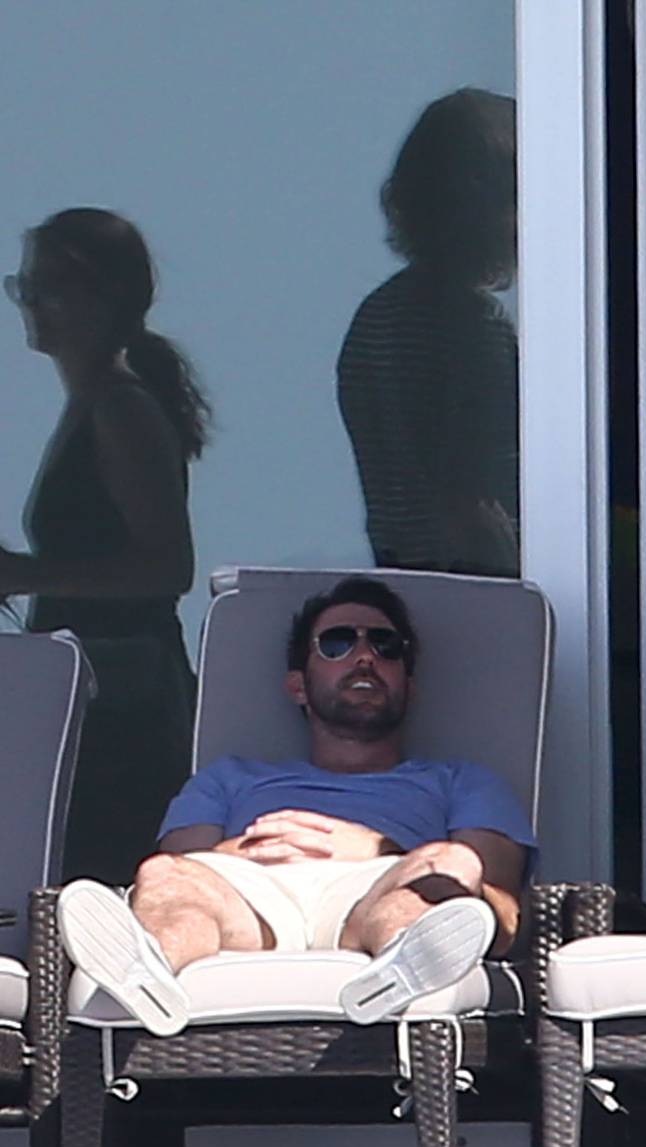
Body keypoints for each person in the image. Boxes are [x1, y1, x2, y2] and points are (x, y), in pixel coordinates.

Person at [56, 575, 534, 1036]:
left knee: (451, 862)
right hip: (255, 894)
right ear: (298, 686)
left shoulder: (465, 782)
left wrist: (379, 849)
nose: (365, 656)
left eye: (386, 646)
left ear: (409, 686)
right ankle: (148, 973)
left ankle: (398, 972)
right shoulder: (228, 778)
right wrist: (257, 847)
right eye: (337, 643)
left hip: (377, 890)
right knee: (165, 876)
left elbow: (503, 916)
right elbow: (182, 867)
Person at [1, 208, 208, 883]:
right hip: (100, 695)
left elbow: (168, 566)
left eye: (50, 287)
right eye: (27, 287)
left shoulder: (121, 408)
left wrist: (26, 574)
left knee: (101, 877)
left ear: (104, 297)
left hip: (125, 708)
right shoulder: (99, 402)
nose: (33, 303)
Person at [337, 88, 519, 577]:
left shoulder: (377, 316)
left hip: (405, 577)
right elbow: (470, 493)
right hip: (472, 580)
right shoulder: (470, 324)